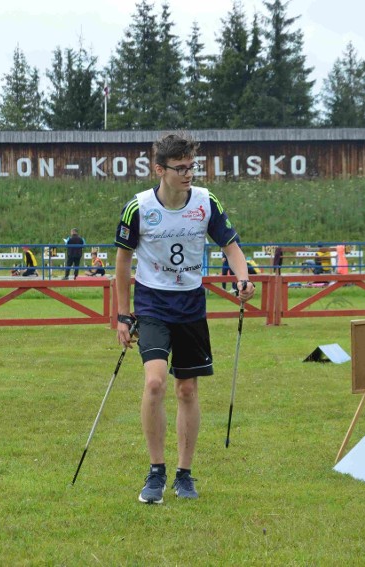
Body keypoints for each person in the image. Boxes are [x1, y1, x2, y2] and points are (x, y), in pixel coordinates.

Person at [114, 132, 256, 504]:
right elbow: (123, 265)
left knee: (187, 389)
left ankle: (185, 474)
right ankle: (156, 471)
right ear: (159, 169)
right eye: (180, 168)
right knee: (156, 384)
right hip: (152, 305)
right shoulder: (139, 208)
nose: (188, 173)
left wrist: (243, 278)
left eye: (192, 166)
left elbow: (231, 247)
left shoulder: (206, 202)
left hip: (191, 305)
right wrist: (122, 316)